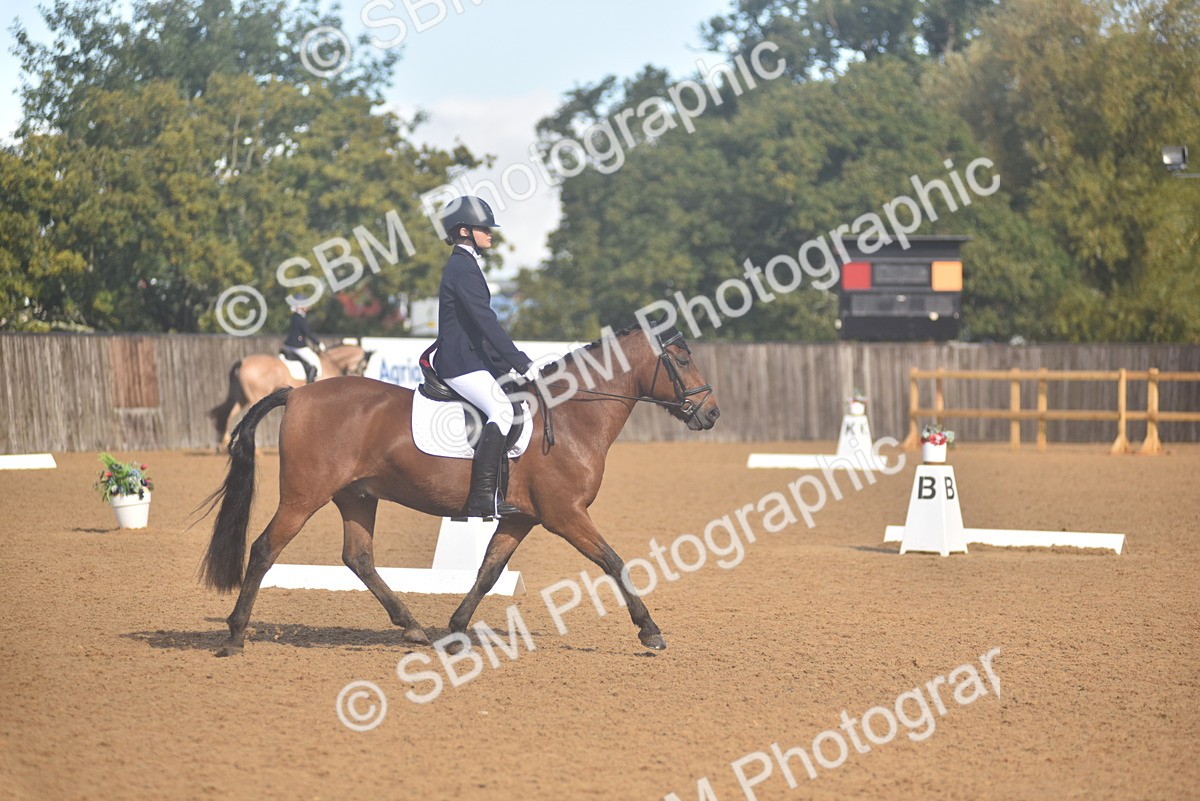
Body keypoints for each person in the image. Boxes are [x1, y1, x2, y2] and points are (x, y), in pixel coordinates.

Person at [433, 195, 538, 519]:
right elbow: (485, 322)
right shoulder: (462, 267)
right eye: (484, 228)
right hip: (459, 362)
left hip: (473, 357)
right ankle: (481, 498)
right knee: (503, 411)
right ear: (464, 231)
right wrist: (521, 362)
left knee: (511, 398)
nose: (491, 233)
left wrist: (508, 367)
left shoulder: (466, 264)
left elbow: (479, 328)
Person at [281, 300, 324, 384]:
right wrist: (318, 343)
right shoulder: (300, 317)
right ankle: (311, 385)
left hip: (289, 345)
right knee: (315, 361)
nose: (308, 307)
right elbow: (307, 332)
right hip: (298, 346)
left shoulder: (295, 316)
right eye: (306, 305)